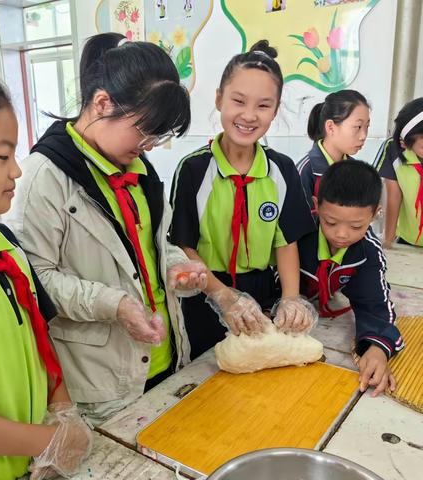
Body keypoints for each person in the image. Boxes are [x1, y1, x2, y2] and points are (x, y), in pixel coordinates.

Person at [6, 34, 206, 424]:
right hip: (101, 381)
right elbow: (34, 280)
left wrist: (176, 266)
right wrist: (113, 304)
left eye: (158, 136)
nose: (149, 145)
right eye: (144, 130)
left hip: (166, 358)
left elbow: (152, 246)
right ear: (102, 102)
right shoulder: (43, 176)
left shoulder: (138, 168)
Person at [0, 65, 91, 480]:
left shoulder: (6, 244)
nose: (17, 171)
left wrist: (62, 412)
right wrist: (44, 442)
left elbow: (38, 338)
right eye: (1, 155)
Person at [170, 40, 317, 361]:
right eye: (239, 101)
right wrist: (223, 297)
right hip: (207, 294)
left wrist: (291, 299)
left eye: (264, 106)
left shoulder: (282, 169)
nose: (249, 116)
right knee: (209, 376)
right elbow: (184, 245)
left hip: (264, 292)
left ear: (275, 110)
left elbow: (286, 241)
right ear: (220, 99)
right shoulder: (194, 169)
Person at [298, 160, 404, 397]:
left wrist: (377, 347)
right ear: (316, 206)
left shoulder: (368, 251)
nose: (341, 234)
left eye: (356, 226)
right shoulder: (297, 236)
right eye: (330, 222)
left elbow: (374, 304)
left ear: (375, 213)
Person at [297, 90, 370, 211]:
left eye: (367, 127)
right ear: (330, 127)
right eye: (358, 127)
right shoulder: (305, 172)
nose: (363, 136)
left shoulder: (357, 170)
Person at [378, 98, 423, 248]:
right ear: (406, 142)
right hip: (408, 240)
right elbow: (394, 196)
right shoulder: (394, 149)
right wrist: (388, 241)